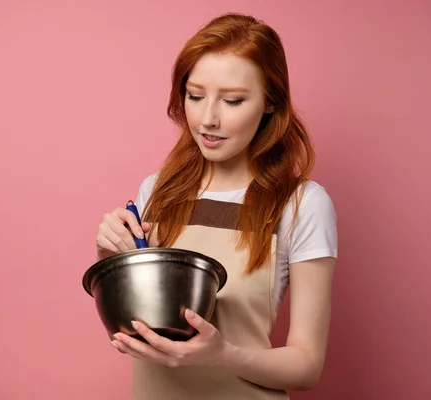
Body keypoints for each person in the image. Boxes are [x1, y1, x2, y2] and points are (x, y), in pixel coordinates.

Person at [95, 12, 338, 400]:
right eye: (195, 96)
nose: (208, 119)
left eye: (232, 100)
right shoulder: (157, 191)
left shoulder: (302, 205)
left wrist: (222, 354)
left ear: (270, 102)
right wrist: (111, 254)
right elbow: (134, 315)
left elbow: (306, 367)